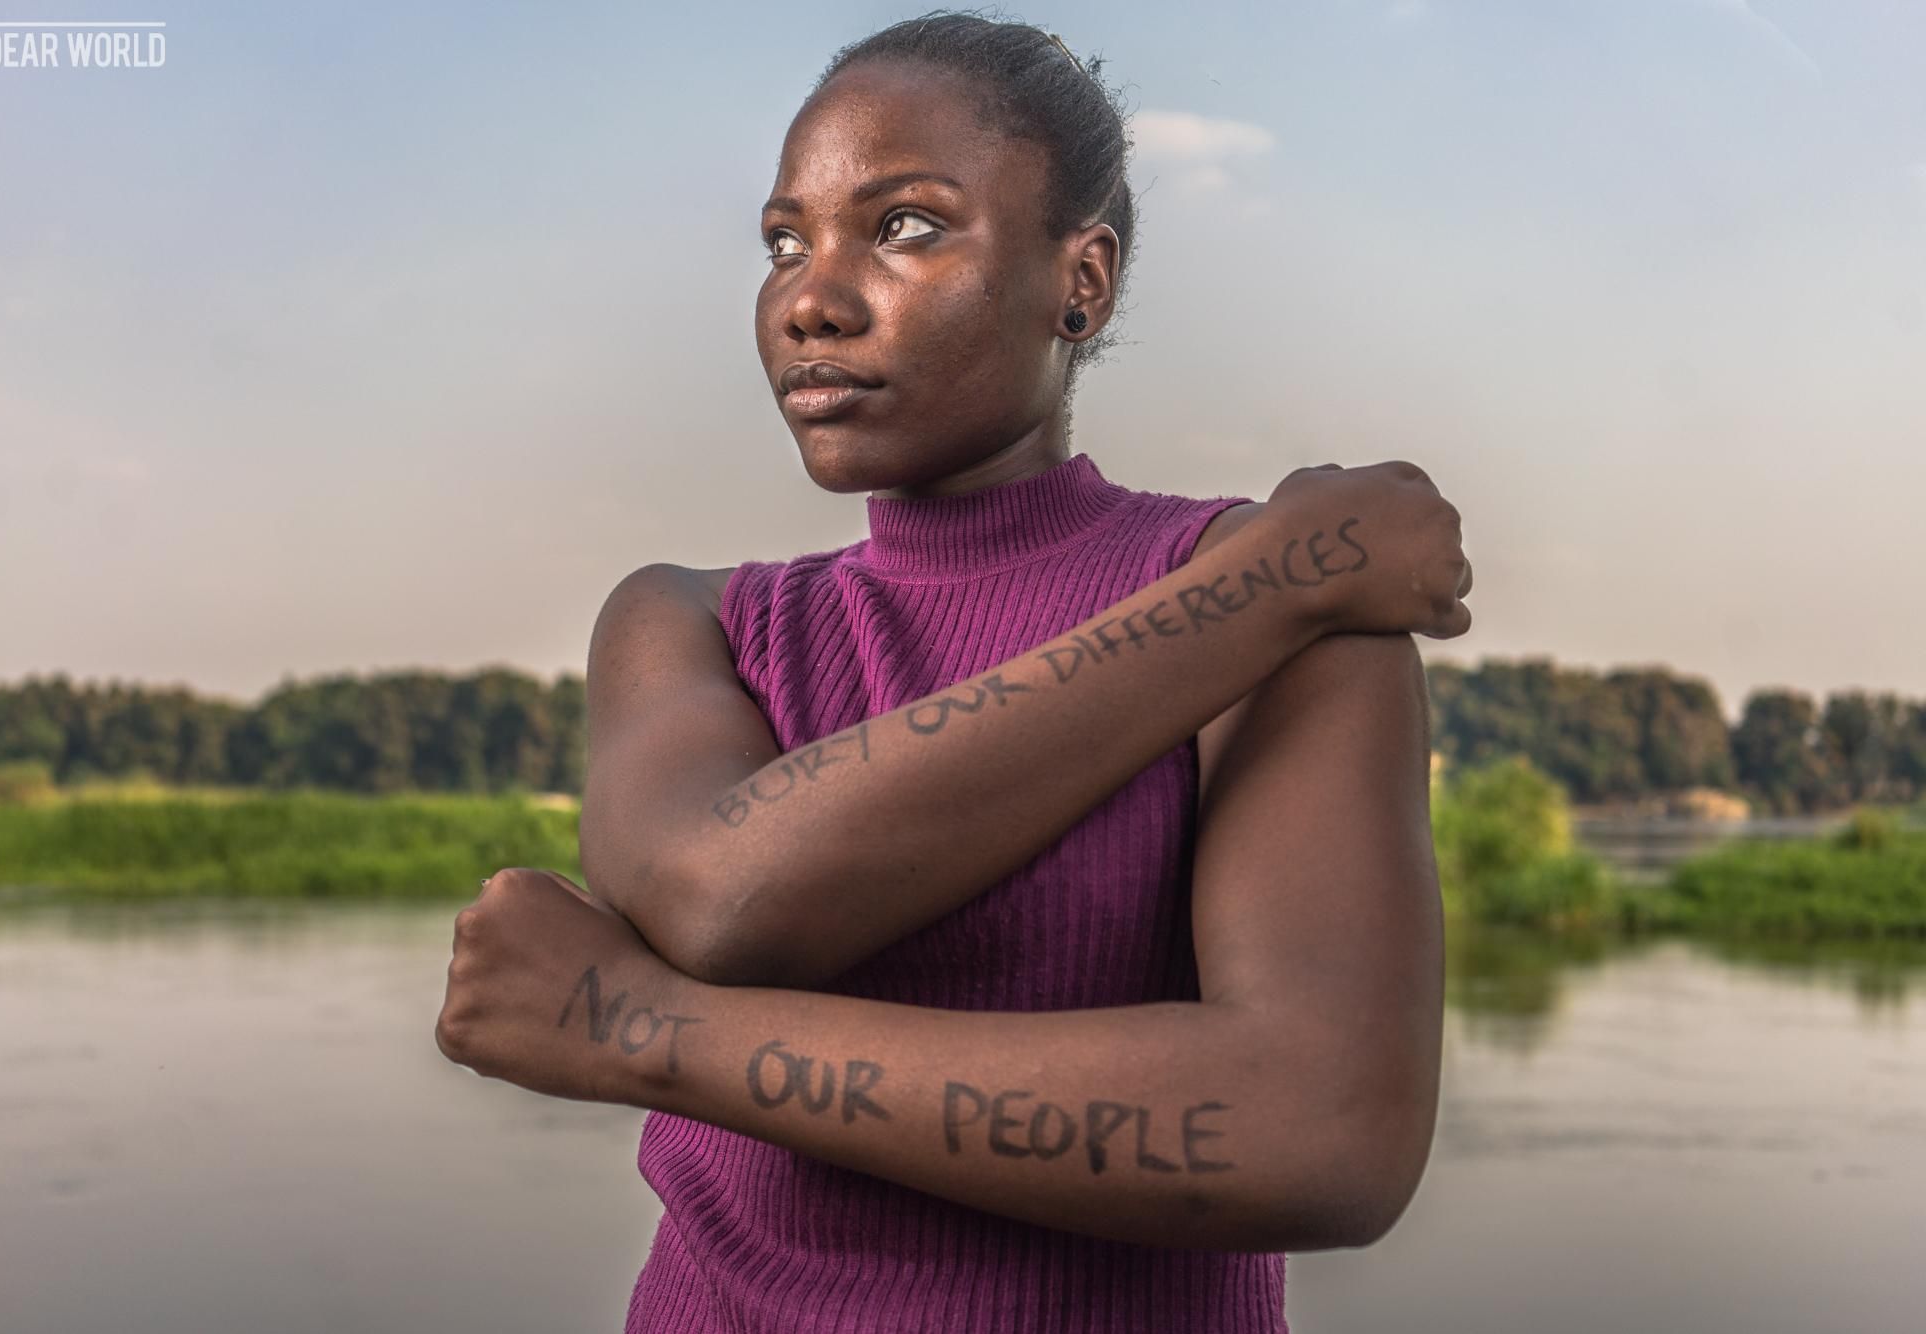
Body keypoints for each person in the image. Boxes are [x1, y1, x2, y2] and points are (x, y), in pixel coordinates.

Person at [435, 11, 1473, 1332]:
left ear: (1081, 280)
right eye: (784, 242)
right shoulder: (689, 624)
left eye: (907, 225)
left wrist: (643, 1031)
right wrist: (1261, 590)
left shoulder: (1290, 619)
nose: (810, 298)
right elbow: (724, 899)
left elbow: (1321, 1132)